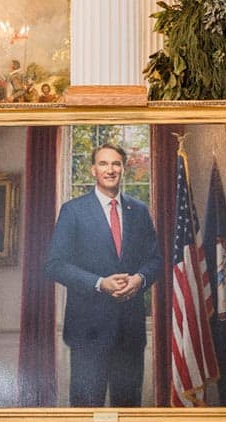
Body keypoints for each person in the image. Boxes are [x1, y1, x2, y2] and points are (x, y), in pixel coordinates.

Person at [45, 143, 161, 407]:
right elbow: (55, 264)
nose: (110, 170)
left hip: (129, 331)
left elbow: (155, 260)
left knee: (128, 409)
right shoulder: (73, 211)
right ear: (93, 170)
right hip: (88, 331)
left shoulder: (139, 211)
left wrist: (139, 279)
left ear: (123, 168)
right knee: (86, 409)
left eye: (116, 164)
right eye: (104, 163)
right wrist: (99, 283)